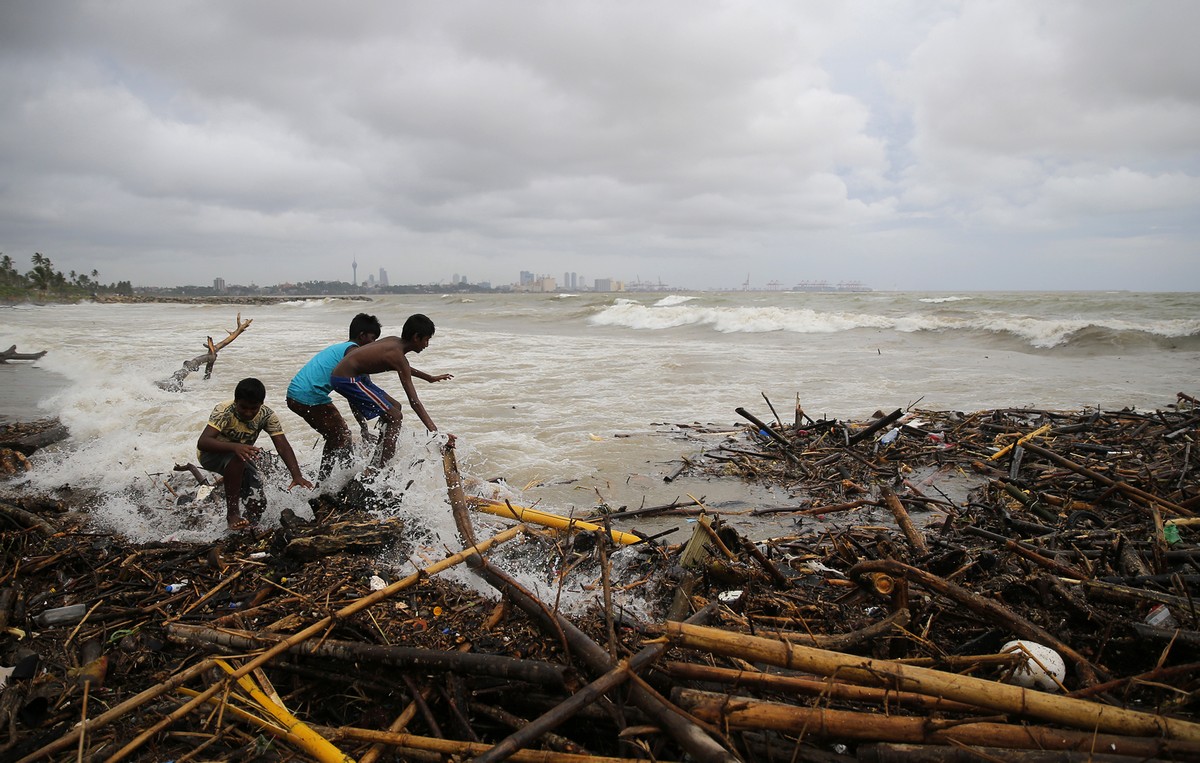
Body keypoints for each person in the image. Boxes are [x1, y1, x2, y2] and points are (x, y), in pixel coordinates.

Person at [330, 313, 454, 468]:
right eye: (426, 340)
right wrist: (437, 435)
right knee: (395, 416)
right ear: (416, 337)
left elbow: (404, 367)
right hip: (347, 379)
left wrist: (428, 377)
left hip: (351, 377)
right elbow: (414, 402)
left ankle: (377, 459)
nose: (427, 345)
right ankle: (382, 469)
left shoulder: (395, 343)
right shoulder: (398, 356)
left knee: (395, 407)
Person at [197, 377, 313, 530]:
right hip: (210, 454)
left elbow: (282, 446)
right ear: (235, 401)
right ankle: (233, 515)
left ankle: (248, 528)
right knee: (237, 456)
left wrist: (296, 475)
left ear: (261, 404)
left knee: (257, 501)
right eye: (243, 407)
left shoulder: (267, 415)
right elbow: (203, 442)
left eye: (253, 408)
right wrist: (234, 447)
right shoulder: (224, 411)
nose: (248, 412)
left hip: (241, 457)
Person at [286, 313, 382, 479]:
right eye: (372, 339)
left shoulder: (342, 348)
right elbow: (356, 395)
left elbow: (354, 394)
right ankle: (323, 483)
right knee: (340, 435)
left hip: (297, 394)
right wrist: (364, 429)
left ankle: (346, 475)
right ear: (362, 335)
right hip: (309, 396)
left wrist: (363, 427)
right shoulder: (354, 353)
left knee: (340, 435)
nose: (373, 345)